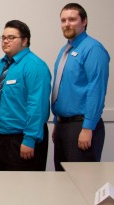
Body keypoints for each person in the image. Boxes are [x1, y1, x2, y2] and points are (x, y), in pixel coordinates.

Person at [0, 20, 51, 171]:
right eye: (3, 37)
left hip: (22, 139)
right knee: (0, 188)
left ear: (25, 41)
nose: (6, 41)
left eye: (11, 37)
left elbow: (37, 106)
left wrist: (29, 139)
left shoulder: (35, 66)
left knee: (24, 190)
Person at [52, 3, 110, 171]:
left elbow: (96, 90)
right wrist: (57, 122)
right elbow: (62, 90)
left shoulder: (93, 49)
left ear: (84, 21)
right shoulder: (65, 51)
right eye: (63, 20)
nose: (66, 24)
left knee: (82, 182)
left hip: (81, 125)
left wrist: (88, 127)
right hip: (64, 126)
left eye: (72, 19)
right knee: (63, 182)